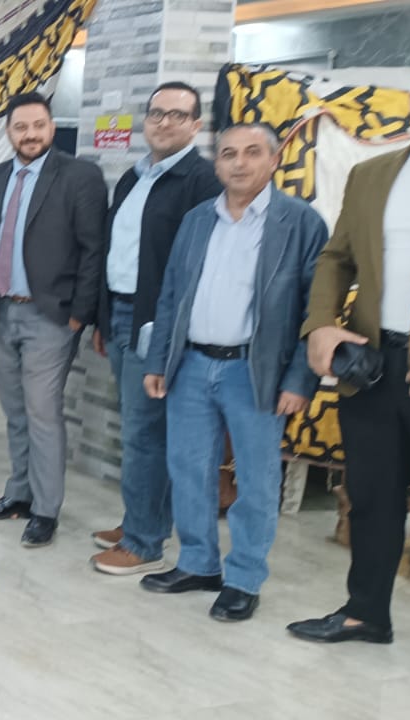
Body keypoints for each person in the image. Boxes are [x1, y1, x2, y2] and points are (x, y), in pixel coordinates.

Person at [138, 123, 326, 622]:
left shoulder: (301, 223)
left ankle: (244, 578)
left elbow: (317, 310)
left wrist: (299, 379)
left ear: (274, 159)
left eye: (251, 152)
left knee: (257, 480)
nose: (239, 163)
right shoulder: (198, 219)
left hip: (255, 371)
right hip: (191, 366)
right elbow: (172, 294)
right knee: (188, 469)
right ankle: (198, 563)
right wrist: (159, 360)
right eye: (228, 154)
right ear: (216, 162)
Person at [289, 67, 410, 644]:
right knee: (371, 496)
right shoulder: (373, 175)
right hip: (373, 364)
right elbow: (336, 258)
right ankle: (366, 612)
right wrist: (321, 324)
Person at [0, 92, 107, 548]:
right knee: (15, 412)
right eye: (21, 127)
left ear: (51, 127)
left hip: (51, 315)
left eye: (38, 125)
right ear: (8, 132)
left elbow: (93, 250)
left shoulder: (79, 176)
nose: (30, 134)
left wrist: (79, 315)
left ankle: (45, 510)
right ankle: (19, 494)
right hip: (1, 312)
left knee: (43, 414)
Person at [89, 82, 223, 576]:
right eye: (156, 113)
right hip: (121, 314)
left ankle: (144, 543)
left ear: (196, 125)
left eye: (177, 115)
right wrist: (103, 317)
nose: (164, 122)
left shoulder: (201, 181)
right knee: (142, 429)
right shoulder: (133, 176)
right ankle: (141, 522)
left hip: (157, 323)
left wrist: (169, 332)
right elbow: (115, 251)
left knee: (144, 433)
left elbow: (198, 267)